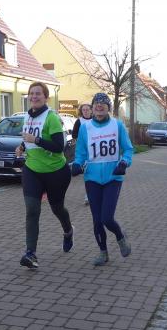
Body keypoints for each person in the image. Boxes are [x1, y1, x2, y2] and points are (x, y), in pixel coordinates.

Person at [15, 81, 74, 269]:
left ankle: (68, 230)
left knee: (57, 208)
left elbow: (58, 147)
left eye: (38, 93)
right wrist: (22, 147)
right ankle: (30, 253)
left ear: (45, 97)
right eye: (31, 93)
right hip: (32, 169)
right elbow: (28, 139)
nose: (34, 96)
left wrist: (36, 140)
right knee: (32, 210)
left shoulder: (51, 118)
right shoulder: (27, 117)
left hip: (56, 172)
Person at [71, 93, 133, 266]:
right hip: (92, 178)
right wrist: (77, 164)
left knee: (107, 218)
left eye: (103, 104)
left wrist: (124, 162)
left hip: (113, 177)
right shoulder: (85, 128)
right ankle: (103, 252)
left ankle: (120, 236)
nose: (99, 106)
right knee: (97, 219)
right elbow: (81, 153)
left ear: (108, 108)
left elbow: (128, 149)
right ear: (92, 107)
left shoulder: (117, 125)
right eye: (96, 103)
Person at [72, 103, 93, 205]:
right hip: (83, 150)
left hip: (94, 149)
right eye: (83, 110)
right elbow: (74, 134)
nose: (85, 111)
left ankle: (91, 195)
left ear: (91, 110)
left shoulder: (95, 120)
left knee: (92, 171)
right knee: (87, 173)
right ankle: (87, 196)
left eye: (87, 109)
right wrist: (82, 138)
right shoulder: (79, 121)